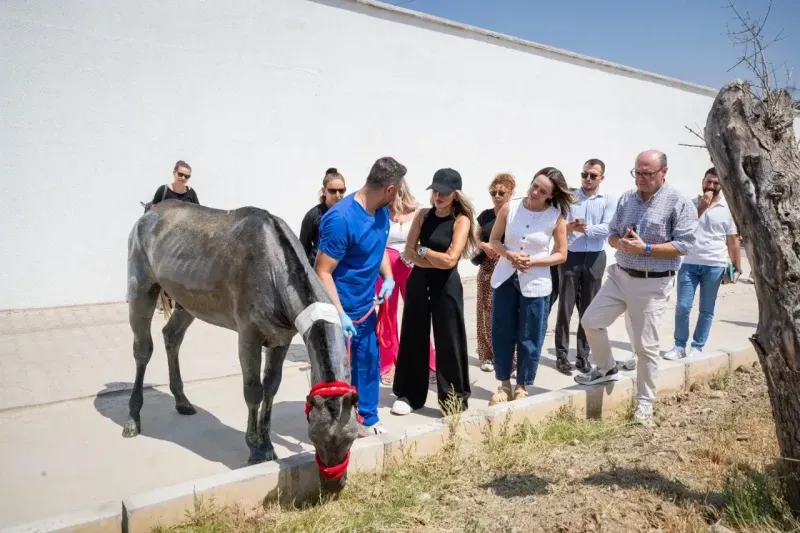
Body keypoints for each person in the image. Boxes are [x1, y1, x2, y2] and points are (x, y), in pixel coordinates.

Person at [577, 150, 698, 427]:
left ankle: (645, 403)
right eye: (637, 172)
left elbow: (684, 245)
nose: (640, 179)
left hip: (652, 282)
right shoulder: (627, 199)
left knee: (646, 348)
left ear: (663, 172)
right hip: (620, 276)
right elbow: (612, 233)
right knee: (591, 321)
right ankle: (607, 369)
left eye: (647, 173)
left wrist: (646, 248)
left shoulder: (678, 202)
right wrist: (620, 242)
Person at [314, 156, 406, 437]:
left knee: (368, 362)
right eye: (398, 190)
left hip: (367, 308)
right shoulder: (340, 220)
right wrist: (340, 314)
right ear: (389, 189)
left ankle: (367, 417)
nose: (399, 195)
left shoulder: (380, 213)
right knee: (335, 373)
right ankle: (332, 425)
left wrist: (388, 277)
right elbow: (322, 271)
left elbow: (377, 250)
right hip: (339, 310)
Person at [390, 168, 478, 416]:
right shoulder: (422, 215)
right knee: (413, 335)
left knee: (449, 338)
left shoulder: (461, 220)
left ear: (455, 195)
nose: (438, 196)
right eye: (435, 191)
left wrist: (424, 252)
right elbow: (407, 251)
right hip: (419, 281)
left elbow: (451, 260)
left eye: (444, 193)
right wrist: (427, 256)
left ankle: (453, 398)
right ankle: (409, 395)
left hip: (446, 284)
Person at [488, 168, 572, 405]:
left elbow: (561, 254)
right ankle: (503, 383)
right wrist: (509, 254)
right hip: (505, 277)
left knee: (530, 334)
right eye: (535, 185)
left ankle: (522, 385)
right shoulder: (509, 208)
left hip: (536, 282)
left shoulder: (556, 217)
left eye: (542, 190)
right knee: (502, 331)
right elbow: (494, 240)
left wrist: (533, 261)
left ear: (550, 195)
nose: (535, 191)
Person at [664, 167, 741, 360]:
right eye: (709, 181)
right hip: (688, 263)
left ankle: (697, 347)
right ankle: (679, 346)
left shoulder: (728, 210)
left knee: (706, 310)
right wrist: (701, 207)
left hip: (714, 265)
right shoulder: (689, 205)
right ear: (702, 181)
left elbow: (733, 241)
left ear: (721, 186)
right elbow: (682, 230)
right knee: (683, 306)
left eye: (716, 183)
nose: (712, 186)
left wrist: (736, 268)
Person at [554, 159, 617, 375]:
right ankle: (562, 356)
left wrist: (585, 228)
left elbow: (608, 228)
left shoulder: (608, 200)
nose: (587, 179)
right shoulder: (571, 198)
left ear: (601, 178)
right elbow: (560, 225)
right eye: (584, 174)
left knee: (589, 309)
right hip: (571, 255)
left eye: (593, 176)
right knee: (565, 306)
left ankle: (583, 356)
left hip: (594, 257)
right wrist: (570, 227)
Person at [375, 181, 437, 386]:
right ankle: (388, 364)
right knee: (386, 317)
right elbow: (376, 242)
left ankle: (428, 362)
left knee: (417, 314)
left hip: (411, 266)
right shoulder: (380, 213)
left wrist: (414, 253)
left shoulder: (418, 213)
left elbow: (426, 241)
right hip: (385, 269)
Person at [474, 173, 517, 373]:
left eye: (502, 192)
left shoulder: (516, 215)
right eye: (493, 192)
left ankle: (510, 356)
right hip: (487, 267)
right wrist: (483, 245)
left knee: (507, 312)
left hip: (508, 266)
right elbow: (474, 236)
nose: (497, 196)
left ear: (511, 193)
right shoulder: (485, 215)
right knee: (484, 310)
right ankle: (486, 356)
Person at [299, 168, 346, 266]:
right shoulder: (313, 215)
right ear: (324, 191)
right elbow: (303, 247)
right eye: (332, 191)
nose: (338, 195)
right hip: (318, 271)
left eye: (341, 190)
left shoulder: (350, 213)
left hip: (343, 271)